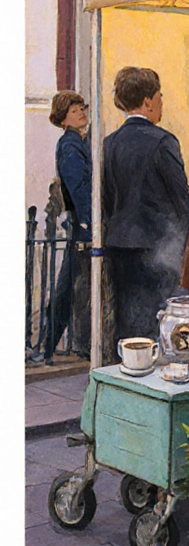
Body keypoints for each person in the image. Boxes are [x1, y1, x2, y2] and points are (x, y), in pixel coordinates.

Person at [103, 67, 189, 360]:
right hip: (158, 246)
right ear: (148, 101)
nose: (161, 103)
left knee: (128, 322)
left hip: (119, 245)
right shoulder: (162, 141)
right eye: (159, 97)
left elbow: (105, 200)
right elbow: (181, 198)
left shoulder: (109, 143)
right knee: (161, 321)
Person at [35, 91, 93, 365]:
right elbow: (79, 188)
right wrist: (87, 221)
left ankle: (49, 345)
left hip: (80, 227)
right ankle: (50, 346)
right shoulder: (70, 144)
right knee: (68, 288)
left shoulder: (80, 140)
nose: (81, 112)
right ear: (63, 118)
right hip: (82, 228)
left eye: (81, 107)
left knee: (69, 287)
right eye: (74, 109)